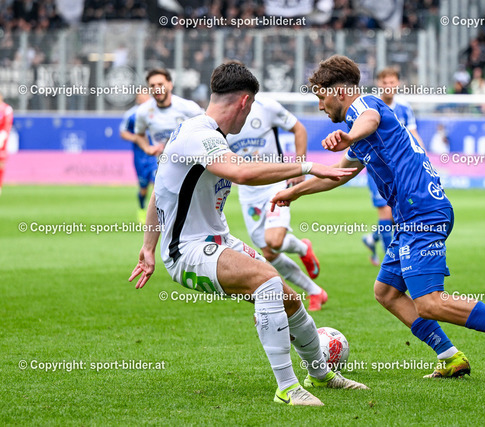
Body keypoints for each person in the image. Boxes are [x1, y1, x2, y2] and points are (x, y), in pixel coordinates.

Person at [271, 55, 485, 380]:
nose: (320, 105)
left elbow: (370, 119)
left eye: (321, 97)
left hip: (422, 211)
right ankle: (450, 356)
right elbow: (339, 173)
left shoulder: (365, 107)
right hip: (411, 216)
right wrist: (295, 192)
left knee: (429, 302)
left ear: (340, 92)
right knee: (386, 292)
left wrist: (349, 136)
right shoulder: (358, 132)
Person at [128, 62, 368, 406]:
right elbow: (240, 173)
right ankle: (287, 388)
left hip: (217, 241)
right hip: (187, 251)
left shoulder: (194, 130)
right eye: (251, 105)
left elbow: (159, 190)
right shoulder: (200, 135)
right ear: (244, 102)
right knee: (267, 282)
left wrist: (148, 247)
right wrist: (307, 165)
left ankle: (321, 374)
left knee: (288, 298)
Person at [227, 91, 328, 311]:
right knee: (270, 253)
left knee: (274, 240)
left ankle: (301, 247)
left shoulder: (266, 106)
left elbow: (299, 129)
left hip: (275, 184)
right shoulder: (222, 117)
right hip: (248, 192)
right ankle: (315, 291)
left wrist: (299, 166)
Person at [361, 68, 425, 266]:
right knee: (386, 213)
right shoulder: (371, 107)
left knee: (399, 214)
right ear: (379, 84)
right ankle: (393, 261)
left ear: (398, 84)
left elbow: (413, 133)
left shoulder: (404, 107)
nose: (388, 86)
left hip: (400, 169)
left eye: (392, 82)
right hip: (377, 169)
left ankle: (373, 238)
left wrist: (423, 157)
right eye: (385, 83)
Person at [133, 68, 203, 222]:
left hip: (190, 167)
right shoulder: (144, 111)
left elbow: (207, 128)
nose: (157, 89)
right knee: (166, 216)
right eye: (152, 86)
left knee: (194, 214)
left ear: (170, 85)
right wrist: (147, 148)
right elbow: (139, 134)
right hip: (164, 168)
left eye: (160, 84)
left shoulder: (188, 108)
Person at [119, 93, 156, 223]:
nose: (143, 99)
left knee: (158, 186)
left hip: (156, 157)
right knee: (143, 188)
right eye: (140, 97)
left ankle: (159, 214)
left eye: (145, 97)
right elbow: (123, 133)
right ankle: (141, 209)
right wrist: (136, 138)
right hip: (140, 157)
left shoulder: (157, 112)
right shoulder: (131, 115)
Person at [0, 92, 14, 196]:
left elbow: (7, 126)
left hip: (1, 140)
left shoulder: (6, 109)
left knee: (1, 163)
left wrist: (2, 137)